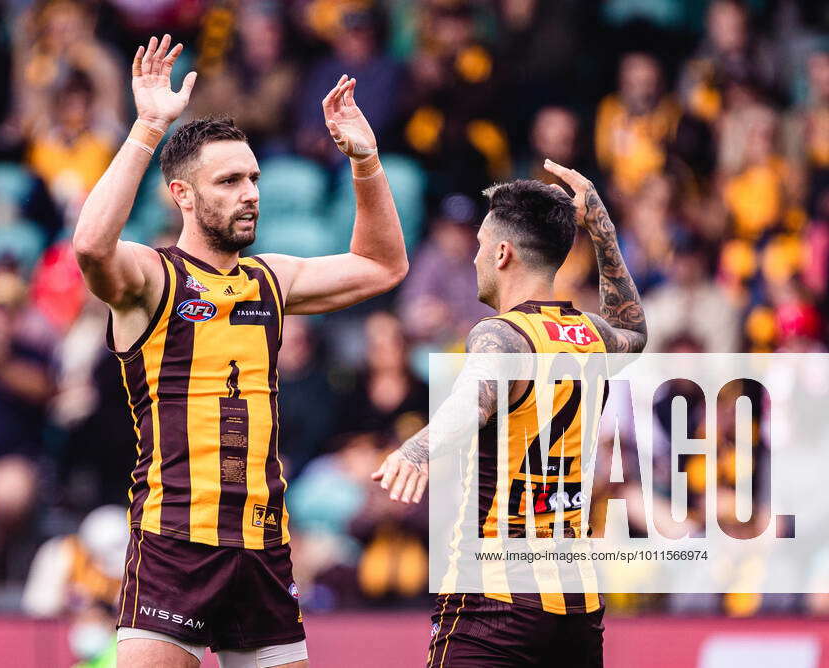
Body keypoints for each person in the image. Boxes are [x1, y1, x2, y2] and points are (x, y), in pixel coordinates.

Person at [72, 35, 407, 668]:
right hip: (175, 543)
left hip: (263, 548)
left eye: (254, 177)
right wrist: (147, 127)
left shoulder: (270, 280)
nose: (251, 191)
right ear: (184, 196)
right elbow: (91, 247)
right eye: (229, 181)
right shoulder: (150, 279)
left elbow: (382, 265)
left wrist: (365, 161)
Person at [374, 161, 648, 666]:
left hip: (493, 601)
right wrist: (602, 229)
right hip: (577, 609)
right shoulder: (593, 335)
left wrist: (417, 448)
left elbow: (471, 400)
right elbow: (635, 328)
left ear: (502, 253)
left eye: (480, 244)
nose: (475, 255)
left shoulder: (501, 334)